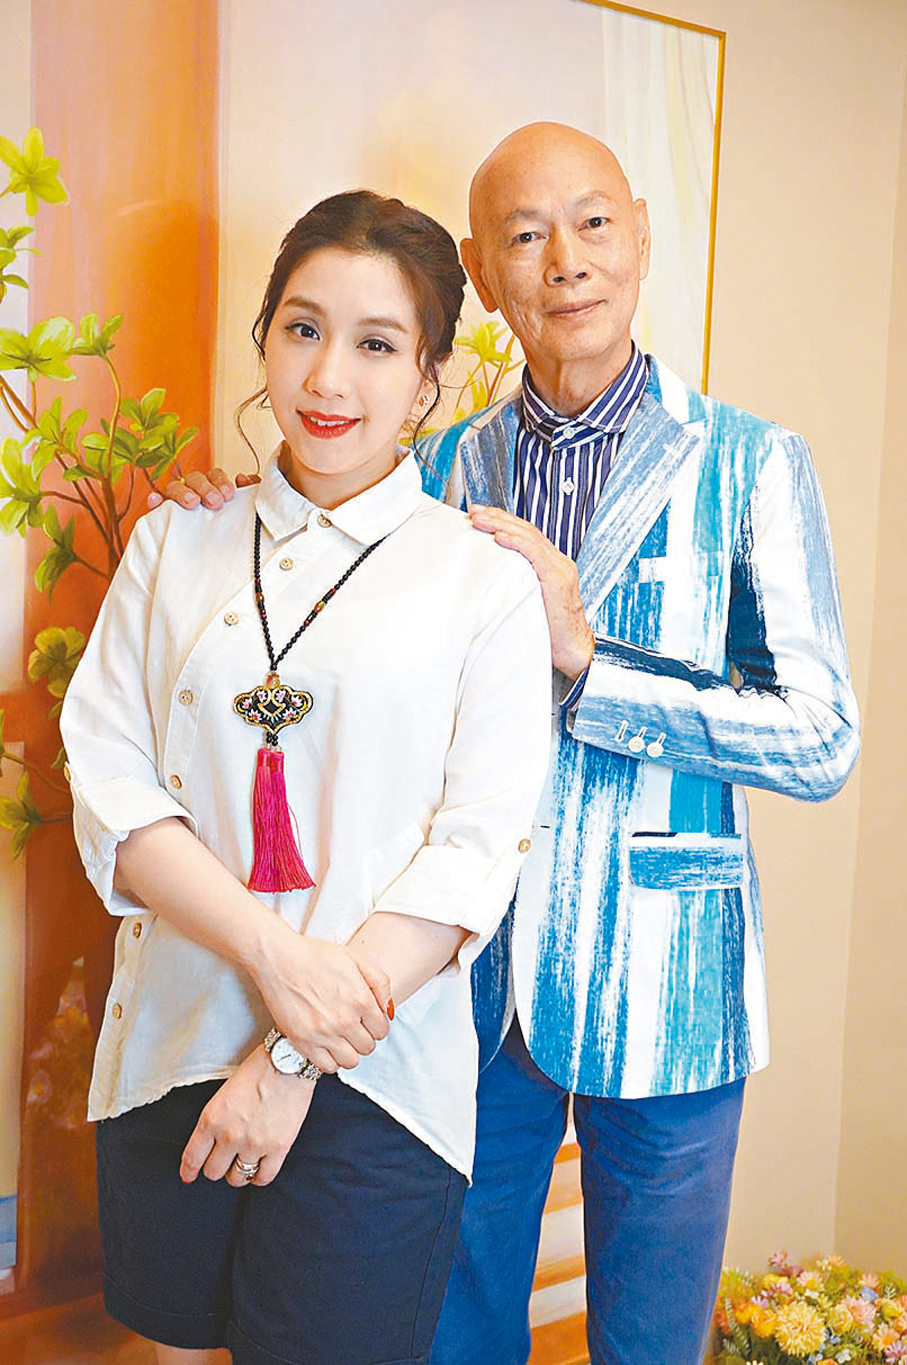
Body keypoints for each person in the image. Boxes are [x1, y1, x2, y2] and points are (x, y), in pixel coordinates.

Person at [159, 124, 860, 1365]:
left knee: (649, 1345)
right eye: (525, 236)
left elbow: (818, 739)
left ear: (640, 234)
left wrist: (592, 662)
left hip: (671, 986)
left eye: (593, 223)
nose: (566, 260)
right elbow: (323, 638)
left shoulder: (751, 461)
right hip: (459, 991)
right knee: (453, 1333)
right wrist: (222, 519)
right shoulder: (430, 466)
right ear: (482, 274)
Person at [60, 188, 552, 1365]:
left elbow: (471, 853)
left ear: (427, 380)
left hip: (375, 1080)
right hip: (175, 1042)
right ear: (265, 338)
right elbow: (113, 785)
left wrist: (288, 1057)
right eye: (302, 328)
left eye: (377, 345)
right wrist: (277, 962)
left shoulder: (480, 584)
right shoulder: (175, 541)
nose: (329, 377)